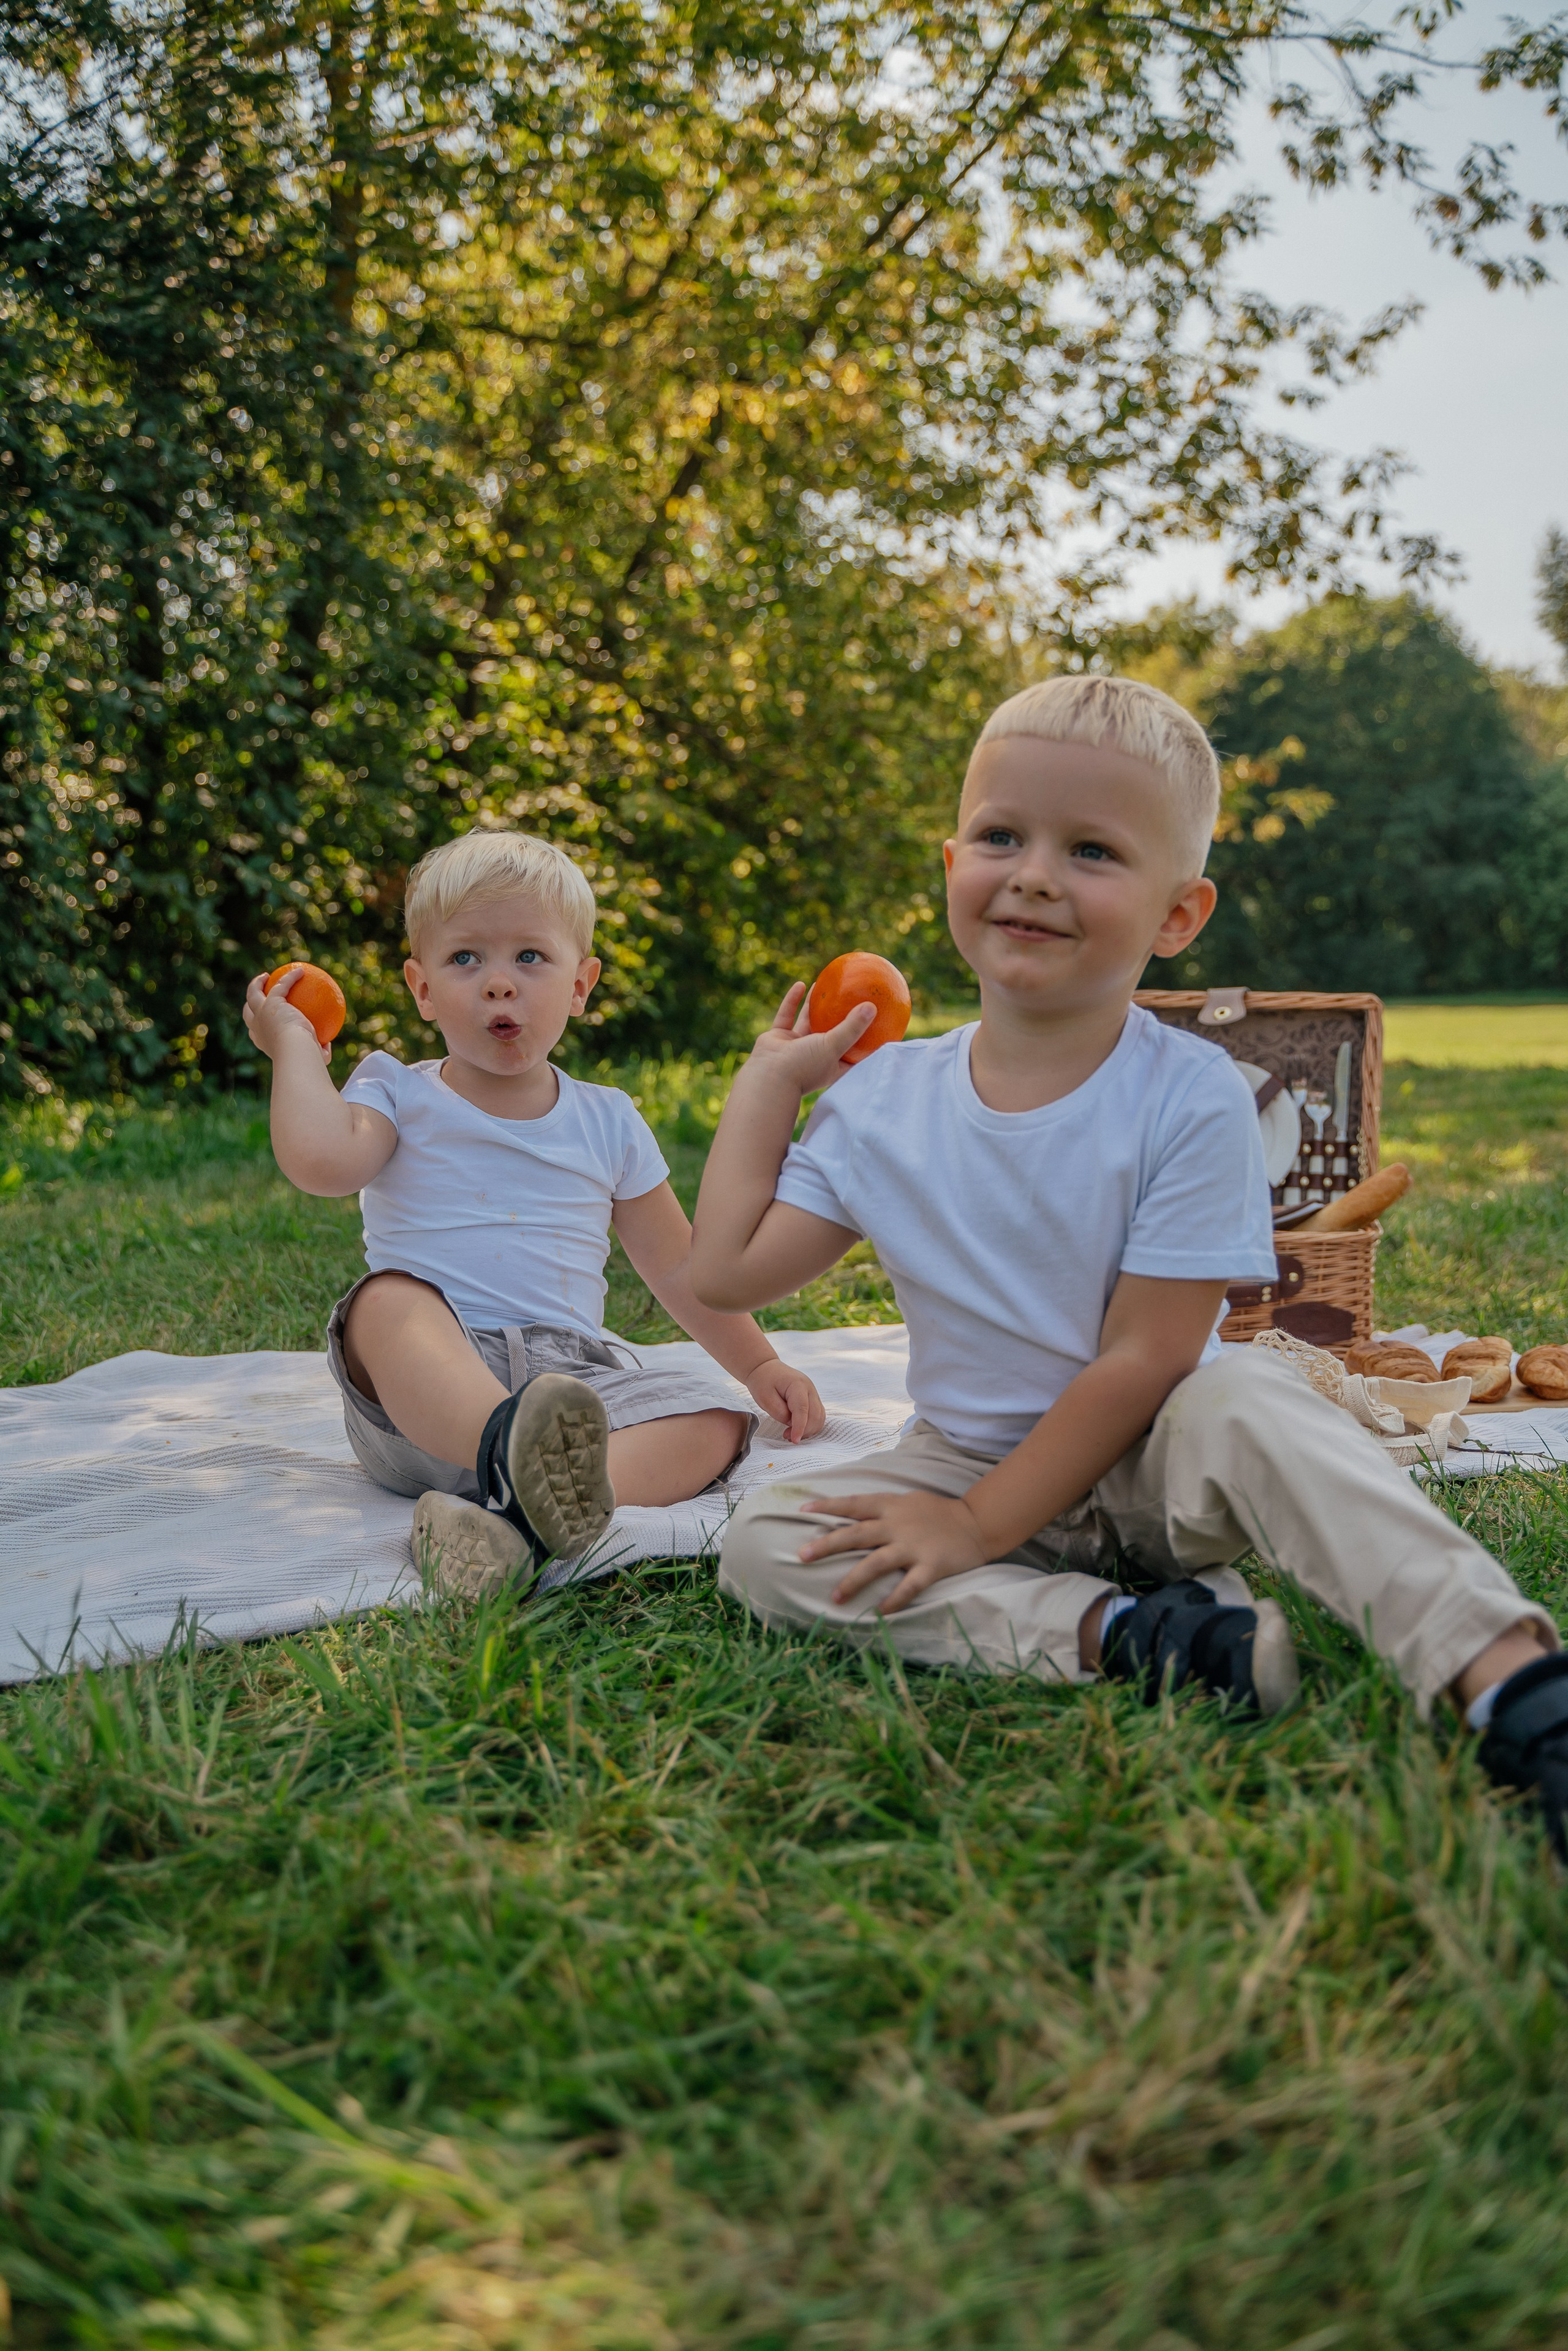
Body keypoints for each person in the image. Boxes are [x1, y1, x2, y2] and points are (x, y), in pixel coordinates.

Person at [690, 675, 1568, 1855]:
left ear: (1177, 914)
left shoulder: (1191, 1094)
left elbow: (1149, 1356)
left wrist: (974, 1527)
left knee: (1253, 1389)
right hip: (966, 1457)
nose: (1037, 872)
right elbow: (727, 1271)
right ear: (952, 860)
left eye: (1092, 850)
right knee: (766, 1542)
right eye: (1002, 836)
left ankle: (1510, 1680)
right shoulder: (884, 1105)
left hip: (1162, 1458)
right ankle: (1138, 1638)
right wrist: (768, 1086)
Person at [244, 830, 824, 1593]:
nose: (498, 984)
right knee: (385, 1302)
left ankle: (513, 1524)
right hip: (428, 1393)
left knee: (713, 1421)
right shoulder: (396, 1089)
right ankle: (507, 1461)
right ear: (421, 989)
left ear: (580, 984)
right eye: (465, 959)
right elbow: (321, 1164)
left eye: (529, 957)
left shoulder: (608, 1120)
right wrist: (293, 1046)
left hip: (569, 1389)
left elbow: (681, 1267)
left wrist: (758, 1364)